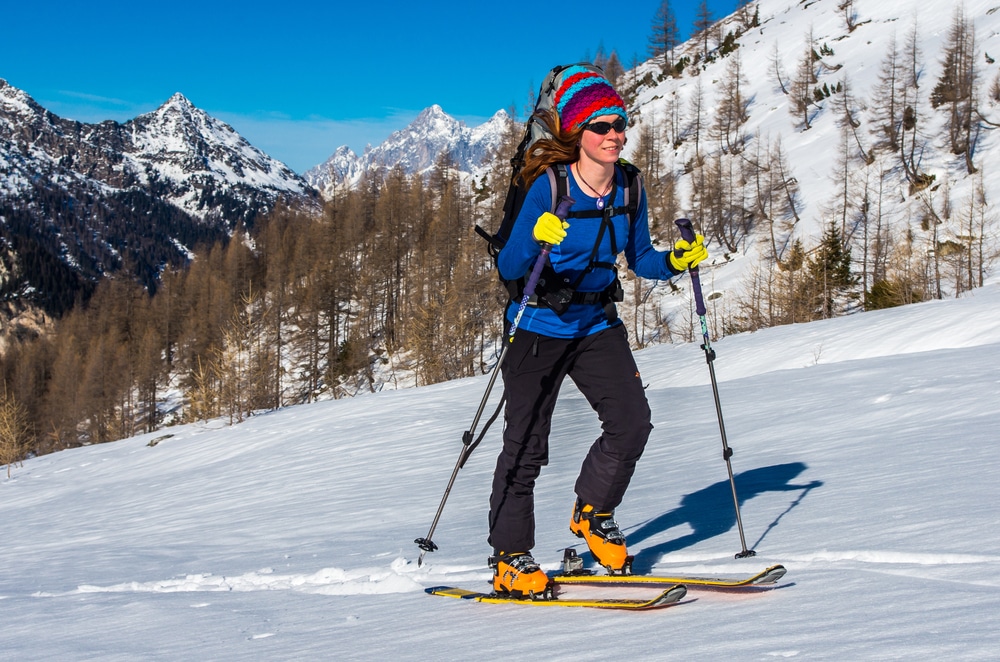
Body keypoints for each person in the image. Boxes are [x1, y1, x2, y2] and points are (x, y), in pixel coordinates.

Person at [488, 66, 708, 598]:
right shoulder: (549, 186)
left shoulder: (630, 185)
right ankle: (509, 557)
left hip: (595, 325)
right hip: (537, 325)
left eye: (620, 123)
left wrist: (676, 261)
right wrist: (534, 237)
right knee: (526, 445)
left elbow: (641, 259)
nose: (615, 134)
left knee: (632, 422)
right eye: (602, 125)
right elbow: (510, 266)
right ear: (577, 133)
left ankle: (593, 511)